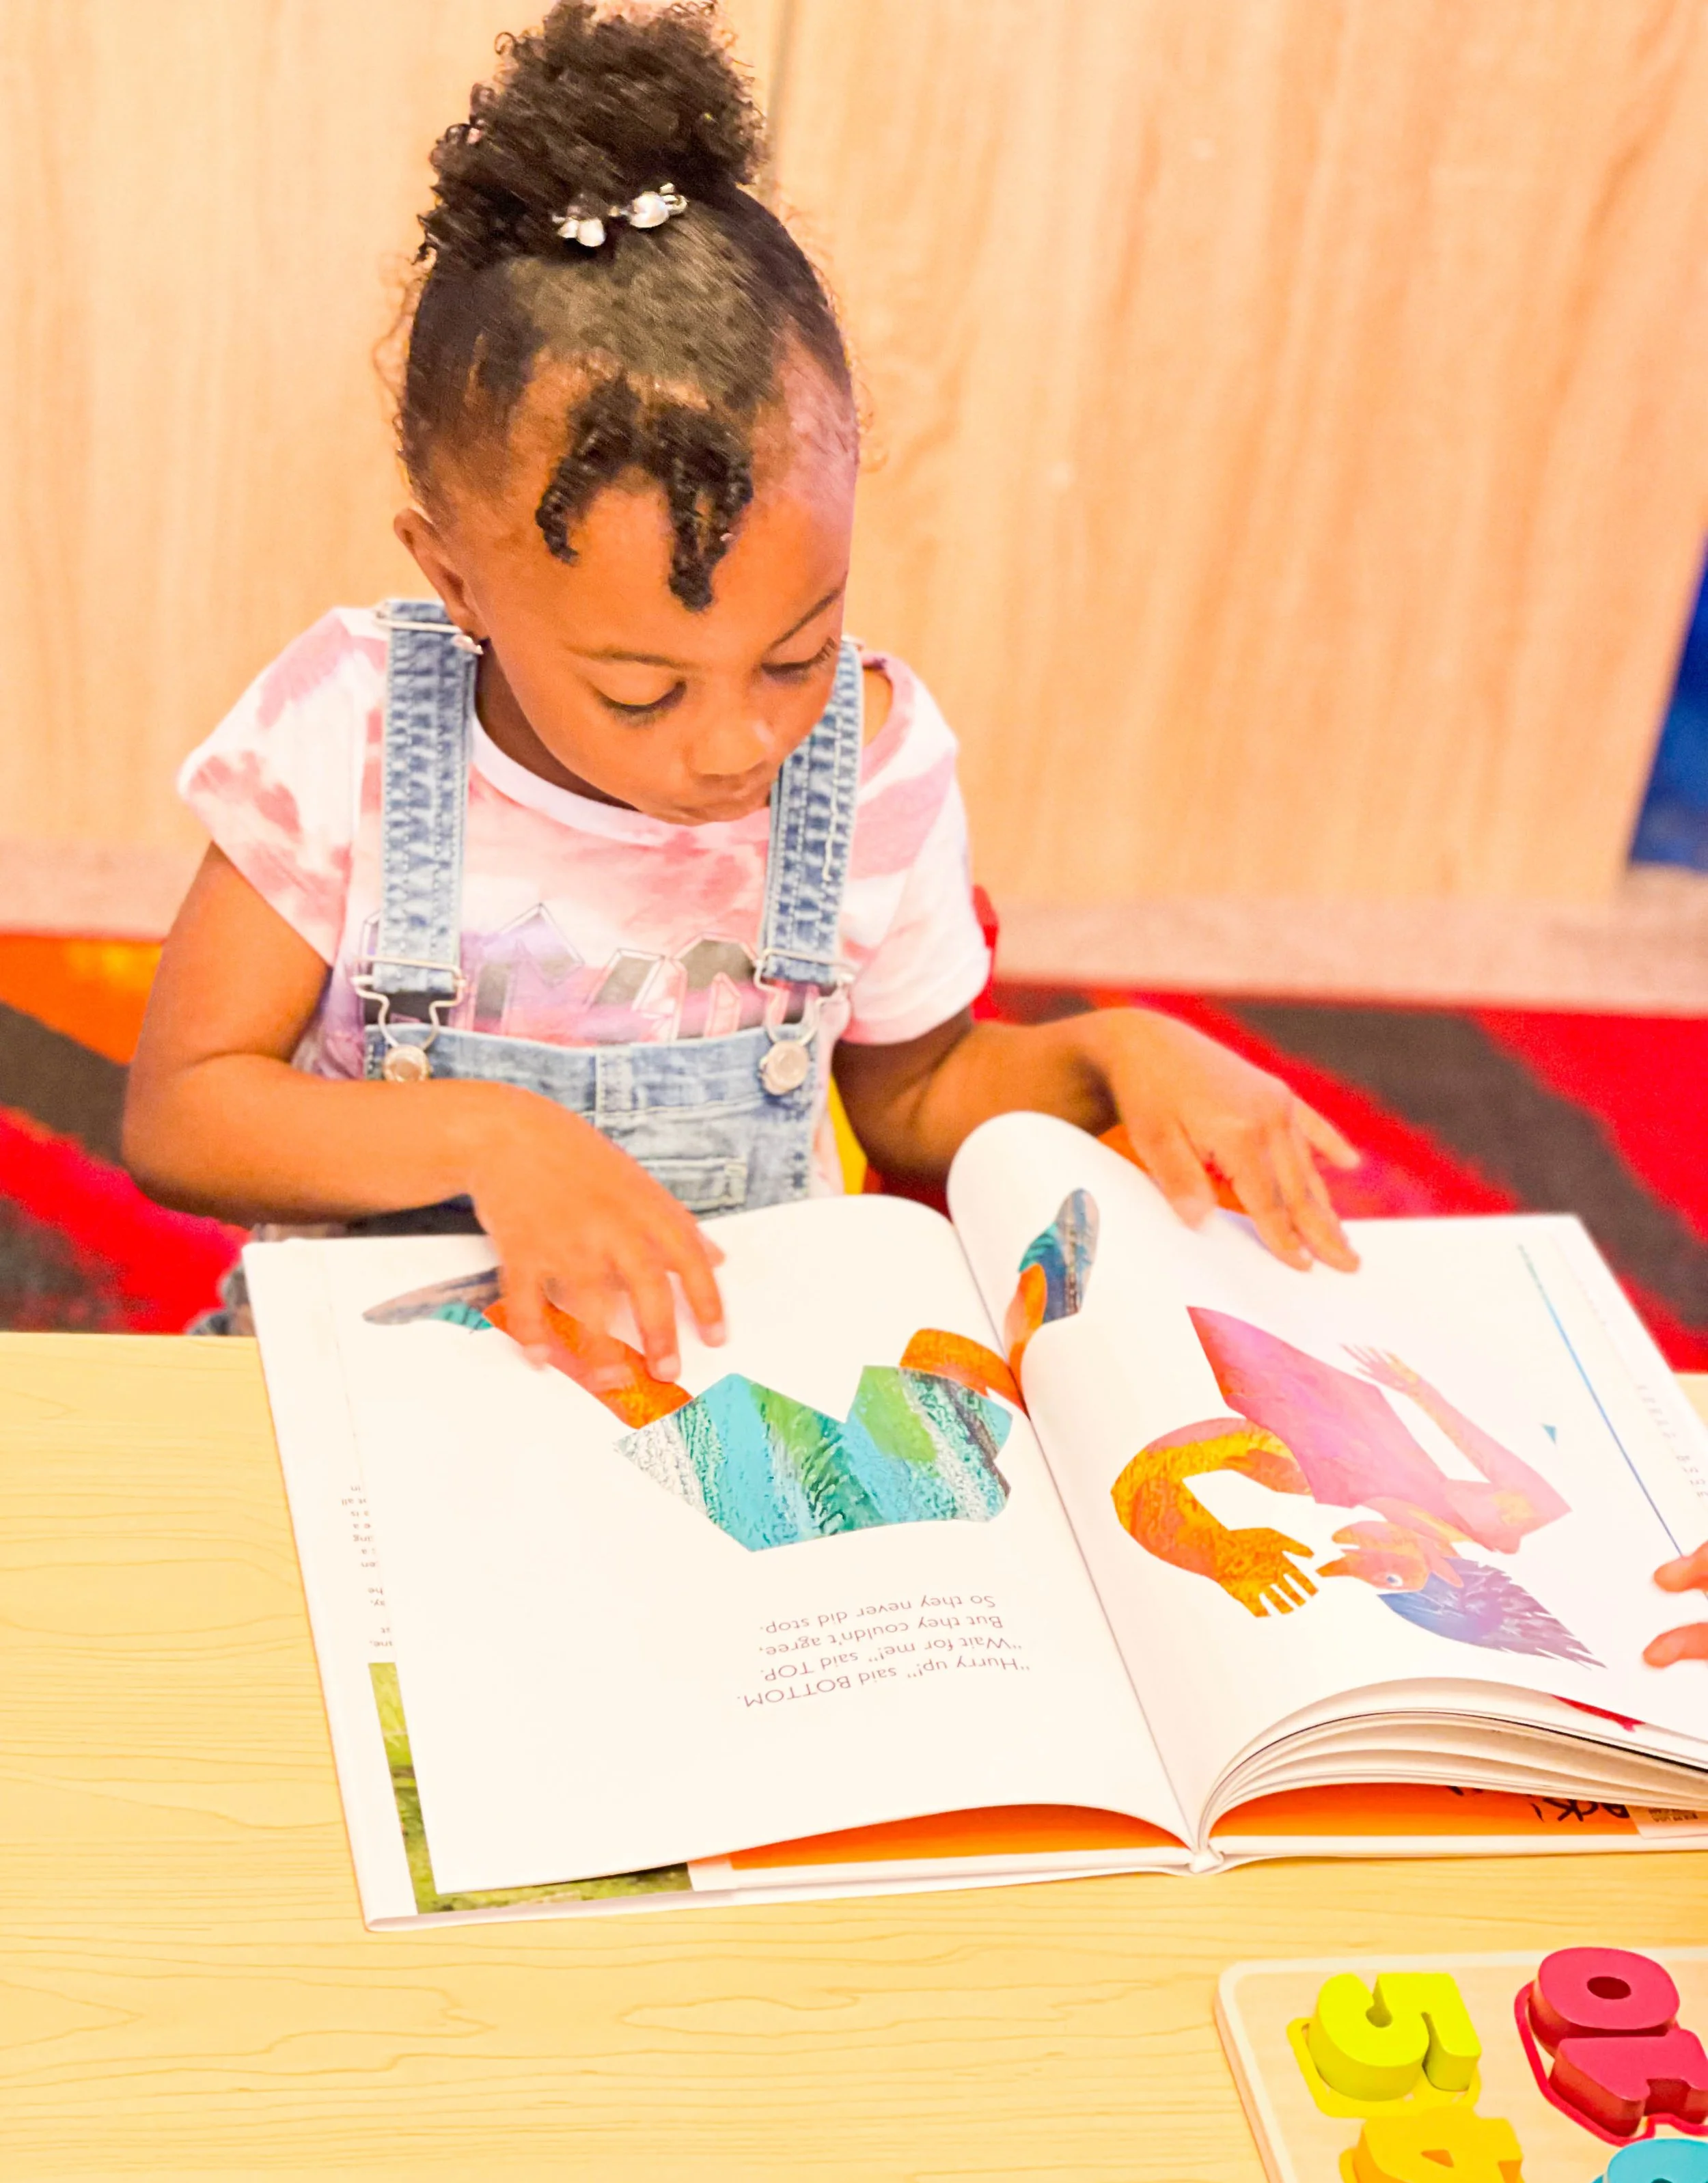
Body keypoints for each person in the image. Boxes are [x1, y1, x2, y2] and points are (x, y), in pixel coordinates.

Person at [124, 0, 1362, 1382]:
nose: (739, 744)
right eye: (639, 691)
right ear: (456, 580)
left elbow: (913, 1097)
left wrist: (1116, 1053)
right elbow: (184, 1115)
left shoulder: (874, 763)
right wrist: (490, 1136)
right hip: (377, 1384)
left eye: (795, 655)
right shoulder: (348, 730)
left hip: (713, 1388)